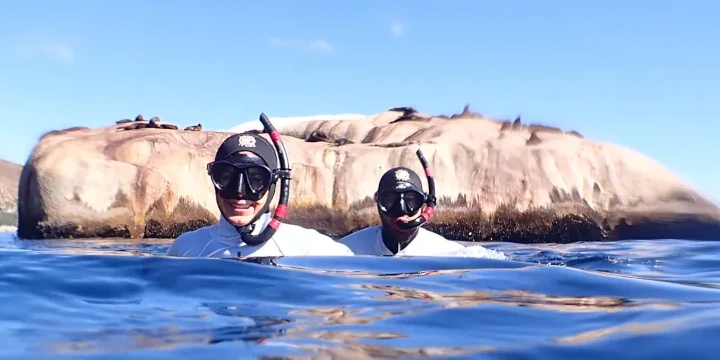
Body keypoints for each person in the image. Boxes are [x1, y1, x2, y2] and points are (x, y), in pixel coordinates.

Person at [168, 125, 352, 260]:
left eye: (255, 180)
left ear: (273, 184)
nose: (240, 192)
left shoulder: (311, 248)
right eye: (226, 177)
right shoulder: (186, 248)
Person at [342, 156, 504, 259]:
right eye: (390, 201)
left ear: (425, 203)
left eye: (411, 201)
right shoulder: (347, 250)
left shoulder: (448, 253)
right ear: (377, 202)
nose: (402, 210)